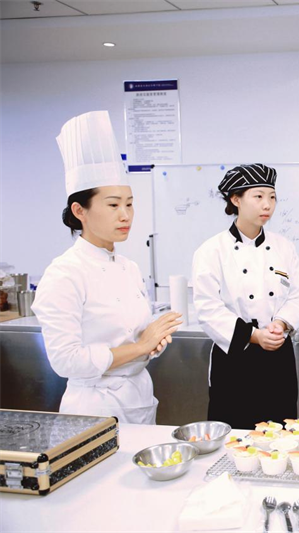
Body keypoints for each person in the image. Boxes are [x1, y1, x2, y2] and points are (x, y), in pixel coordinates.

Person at [32, 110, 182, 424]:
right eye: (113, 205)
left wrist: (153, 341)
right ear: (79, 211)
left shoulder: (128, 267)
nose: (125, 215)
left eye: (129, 204)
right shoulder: (64, 274)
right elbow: (66, 361)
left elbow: (134, 336)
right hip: (93, 409)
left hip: (139, 398)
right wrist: (141, 345)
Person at [193, 164, 299, 430]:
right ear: (236, 199)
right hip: (235, 357)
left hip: (278, 355)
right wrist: (254, 336)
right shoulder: (212, 251)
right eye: (258, 196)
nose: (267, 205)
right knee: (234, 435)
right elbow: (208, 308)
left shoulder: (283, 247)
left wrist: (280, 323)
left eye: (272, 197)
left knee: (282, 432)